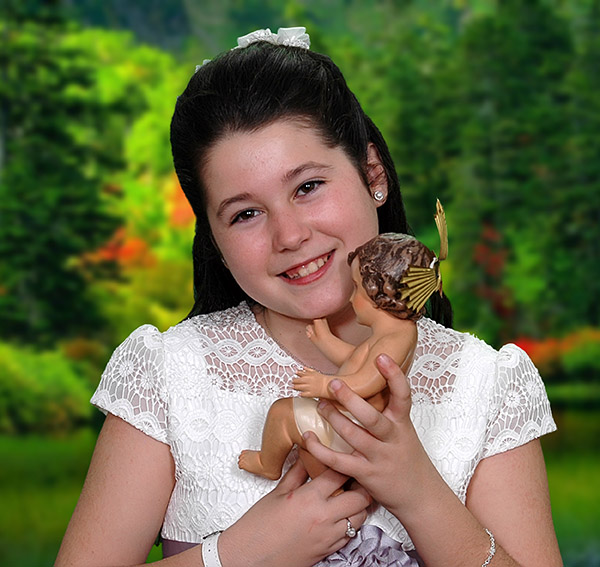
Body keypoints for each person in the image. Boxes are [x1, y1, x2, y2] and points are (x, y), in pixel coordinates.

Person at [56, 27, 563, 567]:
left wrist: (420, 494)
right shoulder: (168, 376)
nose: (290, 235)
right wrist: (238, 553)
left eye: (307, 187)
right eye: (245, 214)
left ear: (372, 173)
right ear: (215, 240)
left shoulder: (485, 386)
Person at [239, 230, 437, 481]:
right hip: (348, 424)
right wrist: (326, 341)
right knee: (309, 447)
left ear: (380, 294)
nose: (351, 298)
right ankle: (329, 488)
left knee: (283, 412)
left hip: (351, 427)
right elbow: (356, 359)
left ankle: (267, 464)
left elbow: (368, 381)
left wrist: (325, 385)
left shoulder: (394, 339)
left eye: (356, 288)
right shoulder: (394, 333)